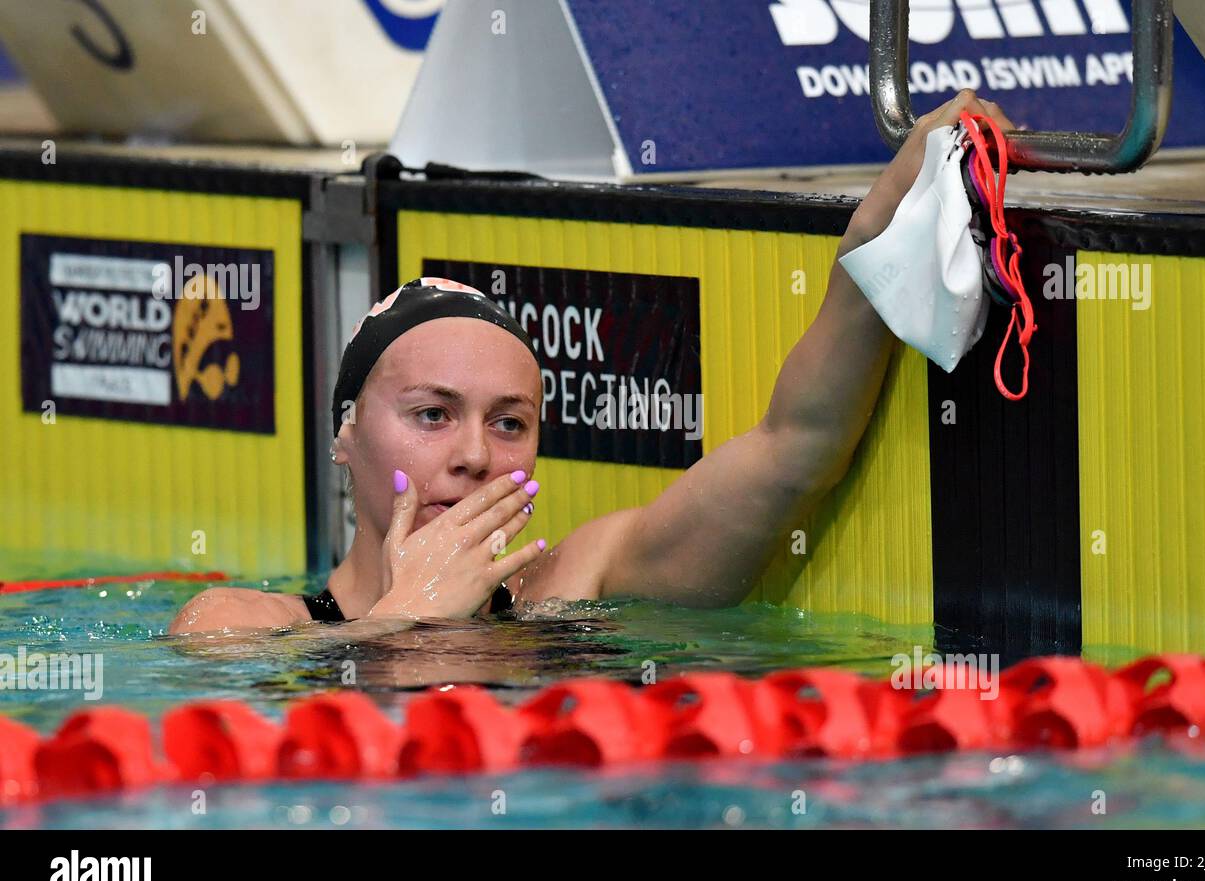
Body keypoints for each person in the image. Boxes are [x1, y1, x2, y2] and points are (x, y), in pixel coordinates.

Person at [169, 91, 1017, 635]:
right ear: (345, 435)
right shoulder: (238, 624)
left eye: (510, 423)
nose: (474, 456)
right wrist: (405, 619)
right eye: (433, 414)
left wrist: (875, 229)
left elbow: (795, 449)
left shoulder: (584, 582)